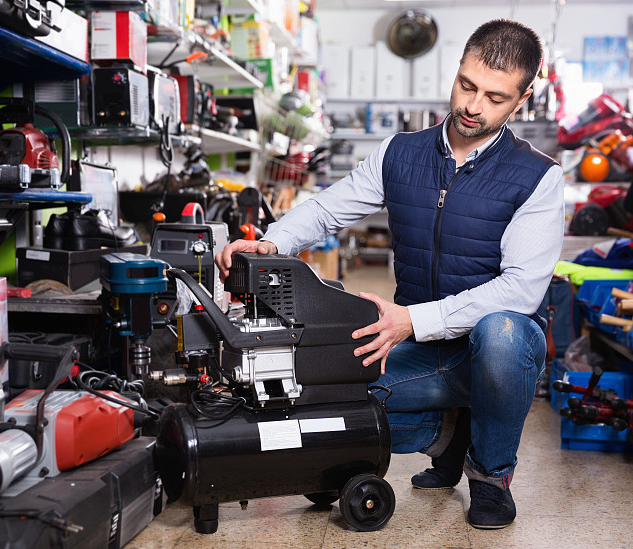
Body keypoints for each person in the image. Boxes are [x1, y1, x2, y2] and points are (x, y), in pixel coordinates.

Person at [216, 19, 565, 529]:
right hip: (421, 348)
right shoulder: (402, 153)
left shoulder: (538, 177)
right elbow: (328, 208)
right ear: (458, 69)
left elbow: (521, 288)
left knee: (505, 332)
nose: (473, 106)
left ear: (522, 97)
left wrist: (412, 320)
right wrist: (272, 241)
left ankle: (490, 476)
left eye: (495, 97)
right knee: (324, 405)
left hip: (491, 354)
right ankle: (447, 437)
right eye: (467, 85)